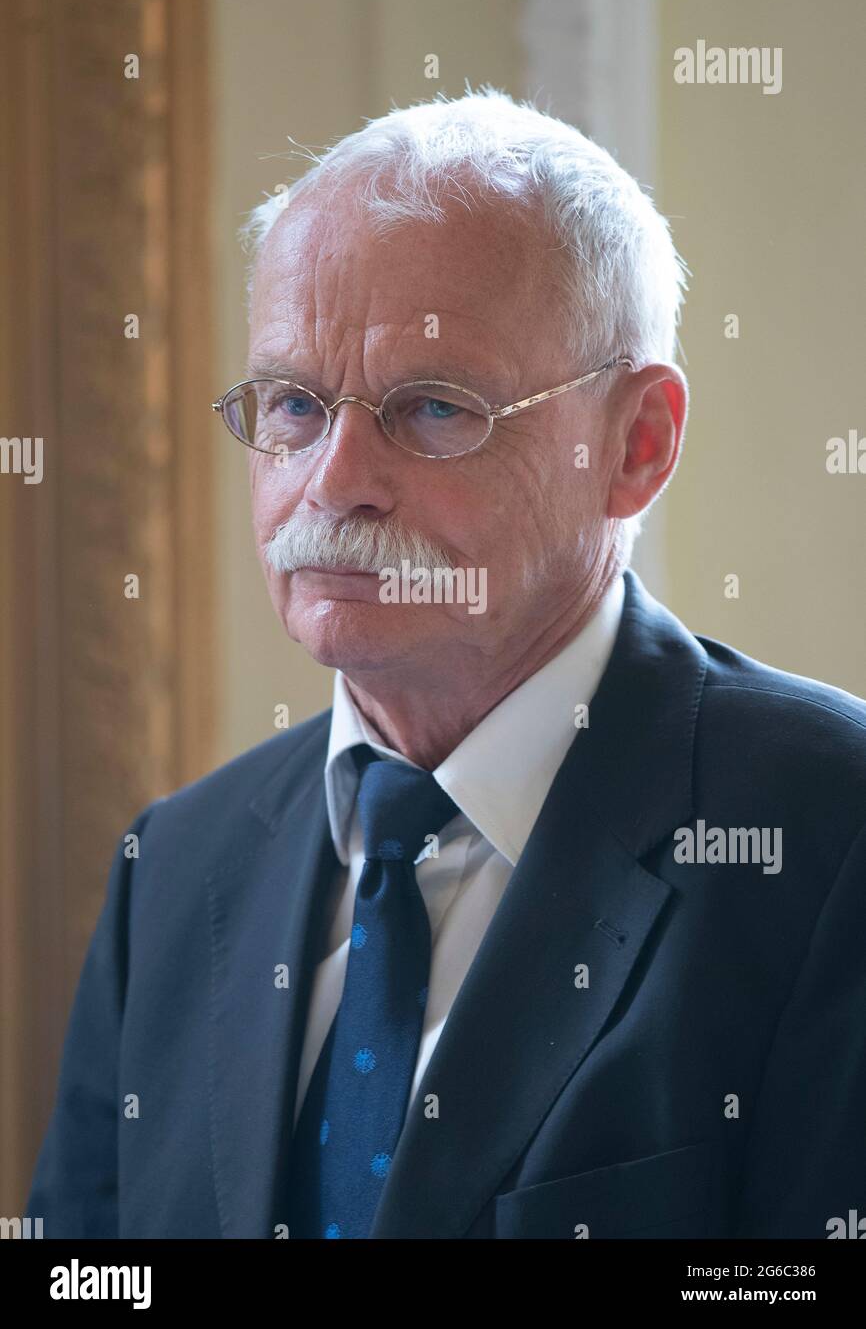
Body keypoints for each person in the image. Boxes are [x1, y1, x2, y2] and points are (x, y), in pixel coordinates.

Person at [26, 89, 866, 1239]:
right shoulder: (177, 866)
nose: (331, 482)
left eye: (429, 408)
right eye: (294, 405)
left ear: (636, 446)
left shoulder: (826, 832)